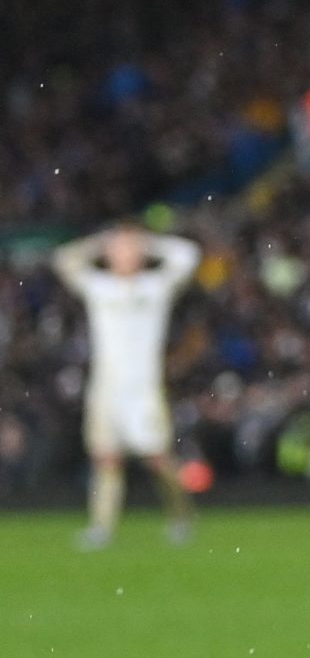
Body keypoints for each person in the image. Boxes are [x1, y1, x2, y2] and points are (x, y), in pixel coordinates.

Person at [49, 224, 201, 550]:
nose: (124, 254)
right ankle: (101, 526)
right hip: (107, 386)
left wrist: (150, 243)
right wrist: (98, 243)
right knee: (106, 459)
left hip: (143, 387)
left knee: (158, 458)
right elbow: (62, 259)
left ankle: (182, 516)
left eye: (130, 248)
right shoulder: (100, 287)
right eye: (119, 249)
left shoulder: (155, 286)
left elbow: (189, 255)